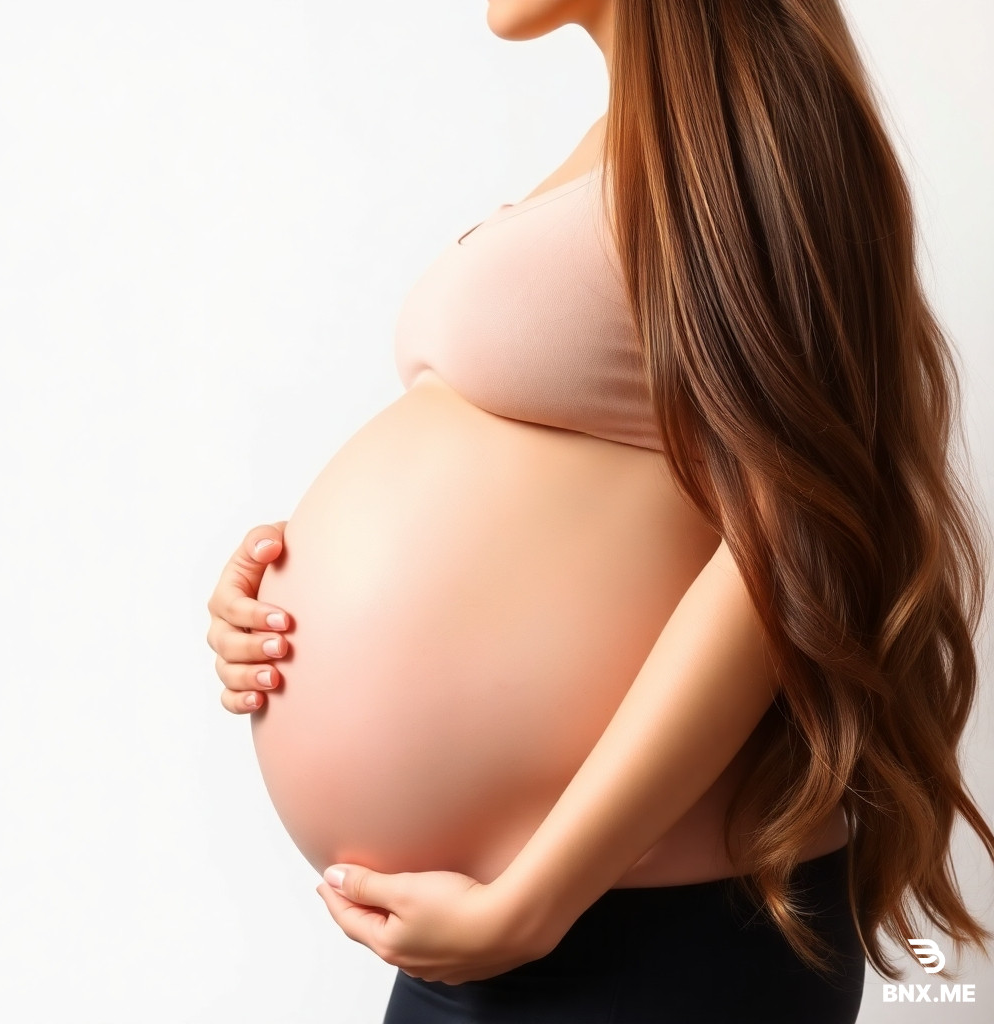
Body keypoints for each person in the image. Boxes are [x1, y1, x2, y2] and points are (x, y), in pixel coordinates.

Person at [205, 2, 994, 1021]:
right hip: (501, 935)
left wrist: (535, 902)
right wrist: (283, 600)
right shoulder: (622, 138)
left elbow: (790, 537)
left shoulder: (755, 129)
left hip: (649, 934)